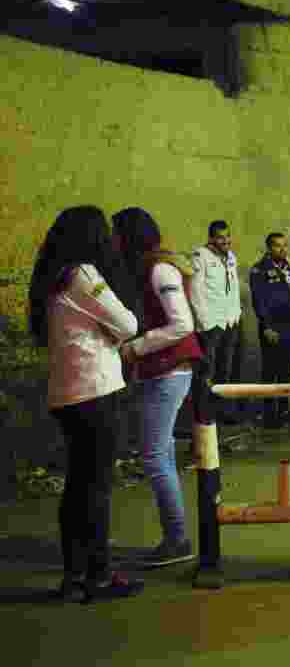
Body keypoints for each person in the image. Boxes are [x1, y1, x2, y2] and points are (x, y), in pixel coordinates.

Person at [29, 206, 145, 602]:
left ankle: (73, 577)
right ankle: (98, 576)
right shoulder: (83, 275)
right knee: (96, 489)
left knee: (78, 489)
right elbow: (128, 324)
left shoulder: (52, 277)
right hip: (95, 391)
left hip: (67, 394)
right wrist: (113, 333)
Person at [113, 207, 203, 568]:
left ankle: (177, 538)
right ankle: (175, 534)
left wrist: (135, 347)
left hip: (169, 370)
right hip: (160, 371)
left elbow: (182, 324)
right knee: (159, 453)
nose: (112, 241)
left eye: (116, 233)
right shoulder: (148, 268)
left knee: (154, 455)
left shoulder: (160, 269)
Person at [187, 220, 243, 426]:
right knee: (206, 373)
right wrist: (206, 323)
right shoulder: (200, 257)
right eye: (220, 237)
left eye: (228, 236)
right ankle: (204, 417)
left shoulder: (230, 257)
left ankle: (222, 412)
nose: (226, 240)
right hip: (211, 325)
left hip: (230, 322)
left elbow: (234, 287)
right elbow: (195, 292)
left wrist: (236, 313)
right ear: (211, 238)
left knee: (225, 370)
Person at [250, 233, 290, 428]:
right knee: (271, 370)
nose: (283, 250)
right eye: (278, 246)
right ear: (269, 248)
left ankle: (284, 409)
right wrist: (267, 326)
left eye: (285, 246)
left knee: (285, 369)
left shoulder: (286, 266)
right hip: (273, 326)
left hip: (289, 325)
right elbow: (258, 300)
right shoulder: (259, 269)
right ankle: (269, 414)